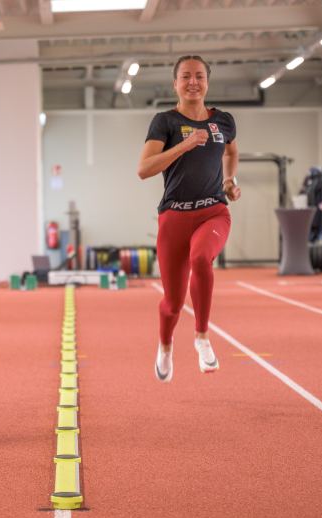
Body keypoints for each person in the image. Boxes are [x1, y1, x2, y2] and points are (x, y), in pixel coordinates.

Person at [138, 54, 240, 383]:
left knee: (202, 258)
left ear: (207, 82)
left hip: (213, 211)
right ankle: (165, 347)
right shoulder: (164, 122)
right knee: (172, 302)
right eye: (186, 77)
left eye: (199, 76)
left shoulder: (223, 120)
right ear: (175, 84)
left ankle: (202, 338)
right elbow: (144, 170)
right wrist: (183, 146)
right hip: (174, 217)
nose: (192, 82)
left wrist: (229, 181)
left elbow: (232, 151)